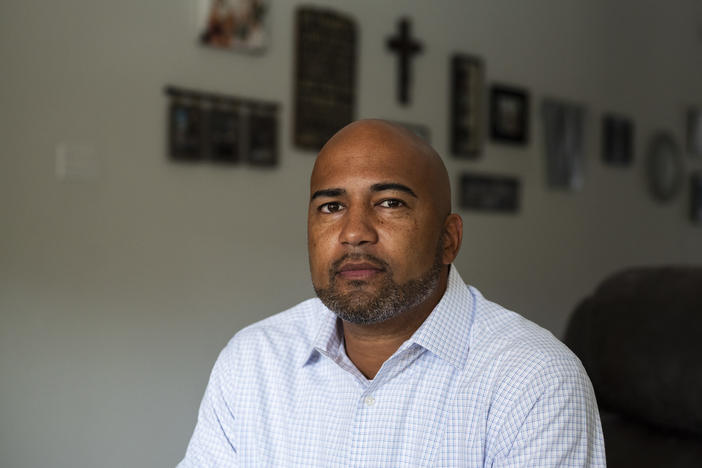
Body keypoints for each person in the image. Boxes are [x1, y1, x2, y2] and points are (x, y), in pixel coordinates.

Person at [178, 119, 606, 467]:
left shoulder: (533, 379)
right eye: (331, 207)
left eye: (390, 203)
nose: (354, 233)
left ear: (449, 239)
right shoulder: (253, 361)